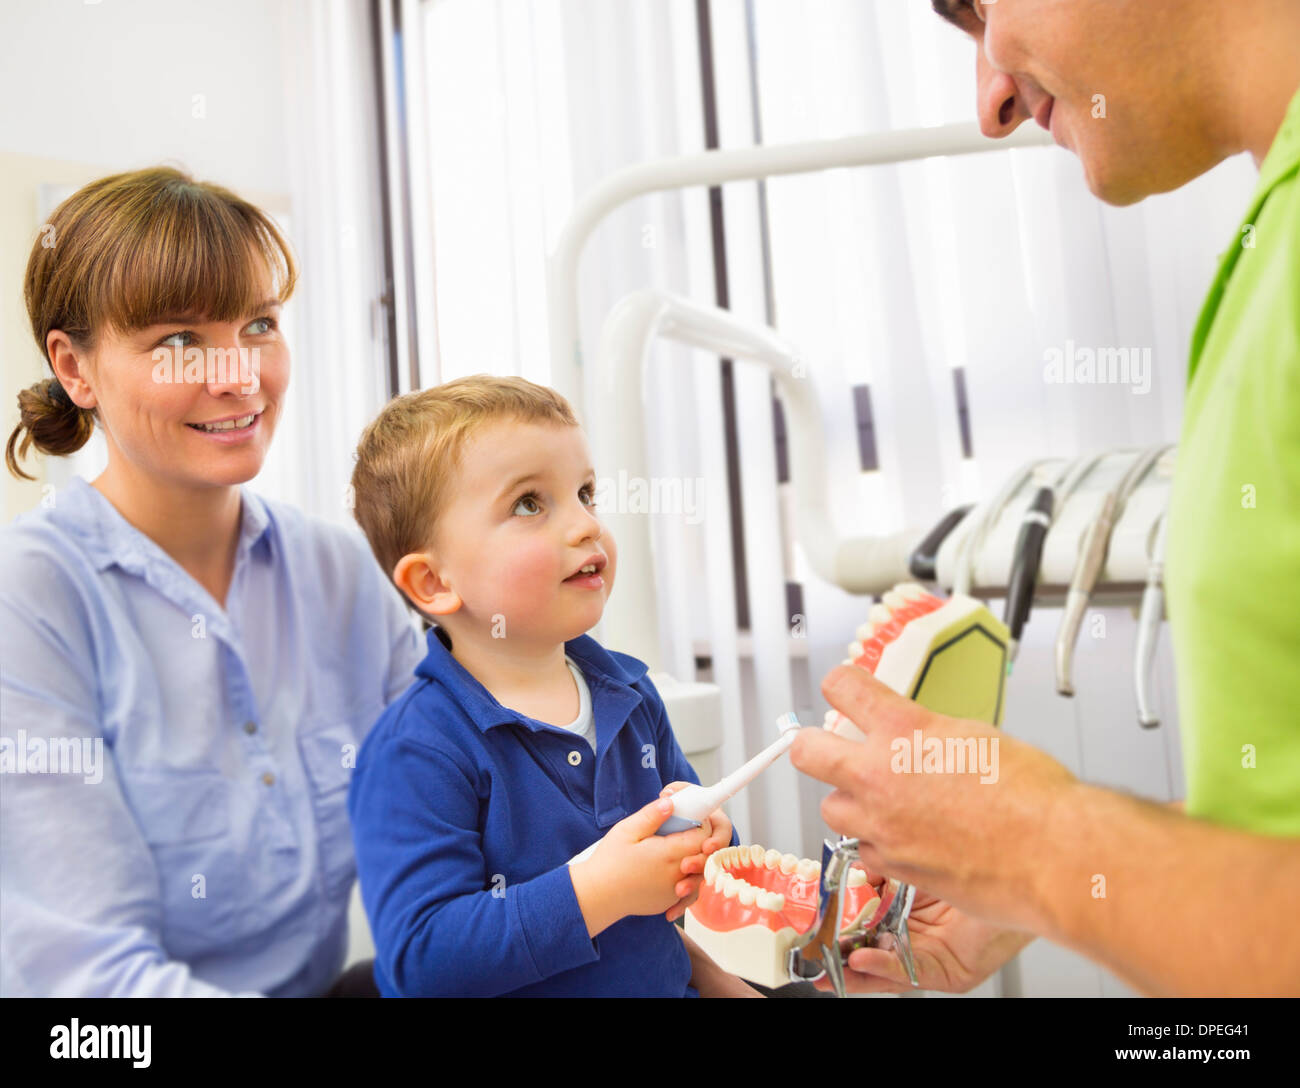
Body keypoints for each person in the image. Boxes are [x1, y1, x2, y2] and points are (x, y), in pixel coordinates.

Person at [788, 0, 1300, 997]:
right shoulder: (1266, 247)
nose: (989, 98)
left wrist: (1040, 848)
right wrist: (1057, 878)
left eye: (979, 7)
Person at [0, 167, 422, 997]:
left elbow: (461, 811)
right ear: (75, 369)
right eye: (178, 342)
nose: (240, 377)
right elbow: (90, 984)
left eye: (259, 324)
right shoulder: (33, 597)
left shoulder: (335, 573)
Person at [346, 375, 758, 996]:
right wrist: (600, 889)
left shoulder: (631, 694)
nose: (585, 526)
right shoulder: (418, 749)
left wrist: (711, 848)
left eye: (586, 493)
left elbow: (674, 895)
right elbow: (425, 961)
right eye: (530, 504)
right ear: (433, 583)